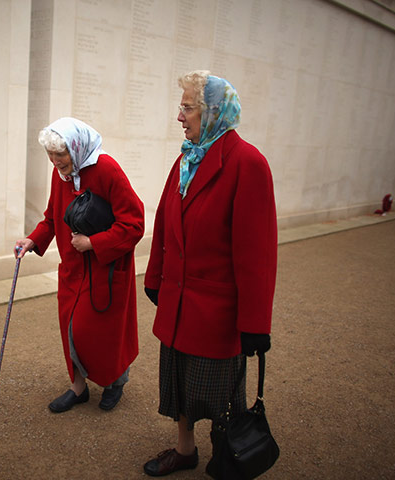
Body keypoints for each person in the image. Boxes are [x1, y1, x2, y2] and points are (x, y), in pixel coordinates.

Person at [142, 71, 277, 476]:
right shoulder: (187, 157)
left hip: (216, 311)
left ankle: (230, 454)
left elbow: (257, 253)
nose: (179, 116)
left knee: (220, 395)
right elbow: (165, 223)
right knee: (179, 386)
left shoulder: (248, 163)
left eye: (187, 107)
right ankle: (186, 450)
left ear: (213, 111)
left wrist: (256, 323)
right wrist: (155, 278)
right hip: (179, 300)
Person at [15, 117, 145, 413]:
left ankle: (115, 381)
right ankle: (78, 386)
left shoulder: (107, 169)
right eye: (50, 155)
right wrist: (32, 240)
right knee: (72, 327)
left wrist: (94, 243)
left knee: (104, 331)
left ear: (76, 148)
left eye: (60, 155)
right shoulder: (59, 174)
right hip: (73, 270)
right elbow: (52, 217)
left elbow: (134, 223)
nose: (55, 162)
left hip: (106, 269)